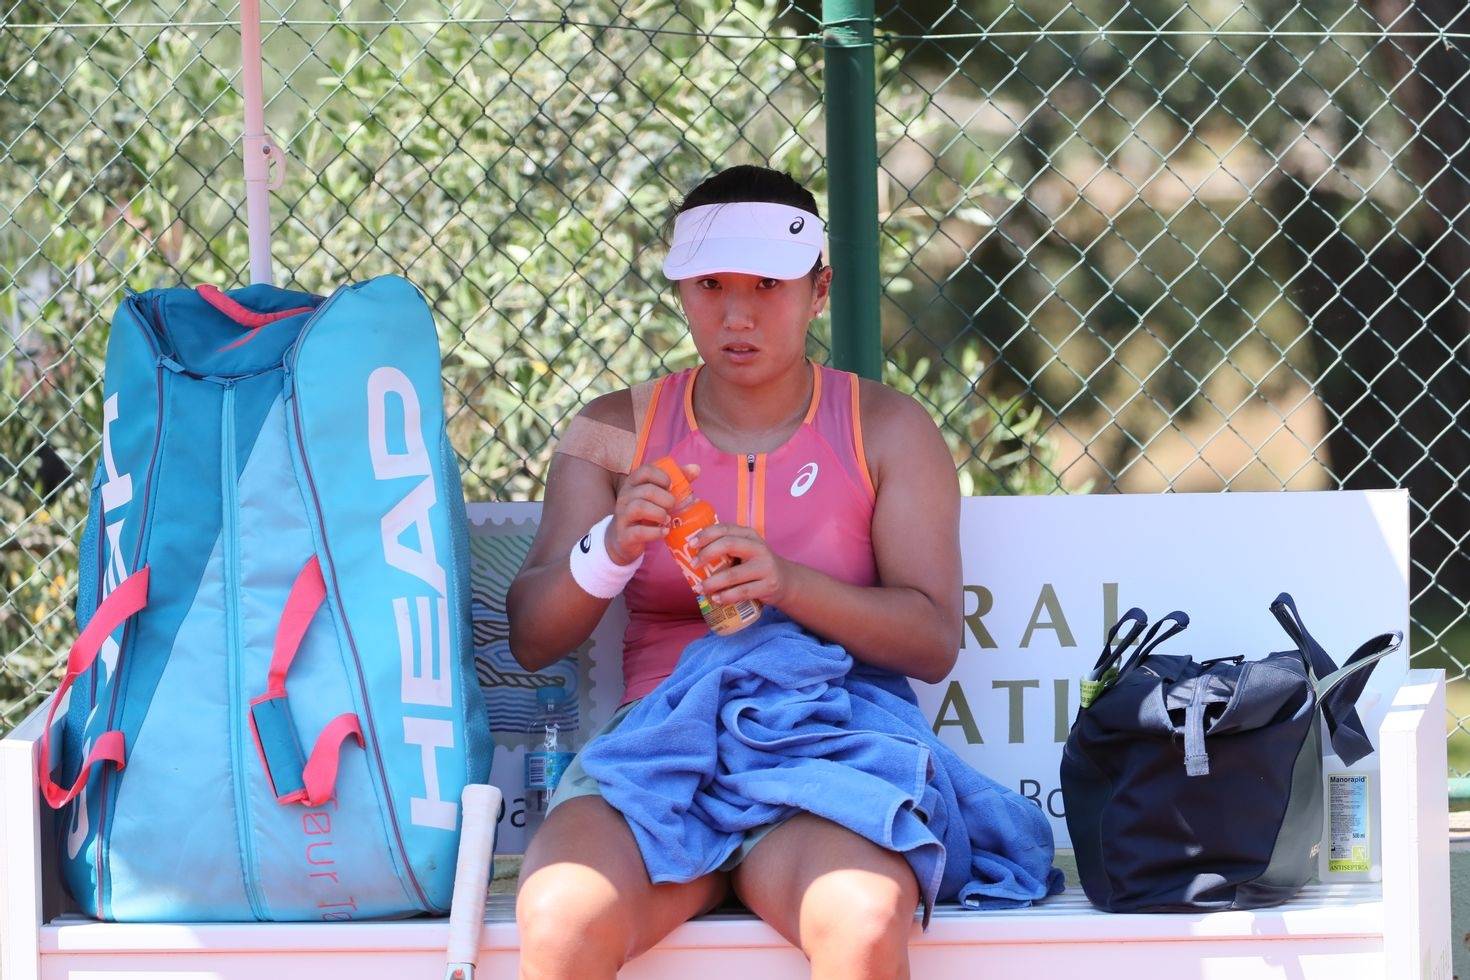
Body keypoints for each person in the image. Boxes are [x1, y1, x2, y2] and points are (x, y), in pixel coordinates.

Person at [507, 164, 963, 980]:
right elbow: (532, 637)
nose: (737, 314)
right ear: (680, 291)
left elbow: (932, 642)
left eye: (768, 285)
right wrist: (609, 550)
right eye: (711, 284)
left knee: (861, 922)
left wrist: (788, 583)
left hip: (827, 748)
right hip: (661, 752)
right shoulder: (610, 431)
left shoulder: (889, 427)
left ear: (820, 290)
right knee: (560, 917)